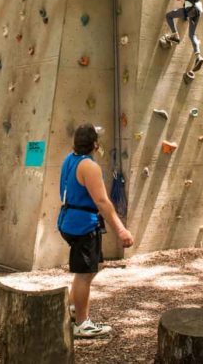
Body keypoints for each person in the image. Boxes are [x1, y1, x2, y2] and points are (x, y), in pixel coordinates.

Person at [58, 124, 134, 338]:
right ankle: (82, 323)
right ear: (95, 144)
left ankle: (73, 306)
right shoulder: (89, 167)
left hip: (70, 220)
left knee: (93, 266)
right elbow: (102, 201)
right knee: (84, 274)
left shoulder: (68, 159)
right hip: (82, 225)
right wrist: (121, 230)